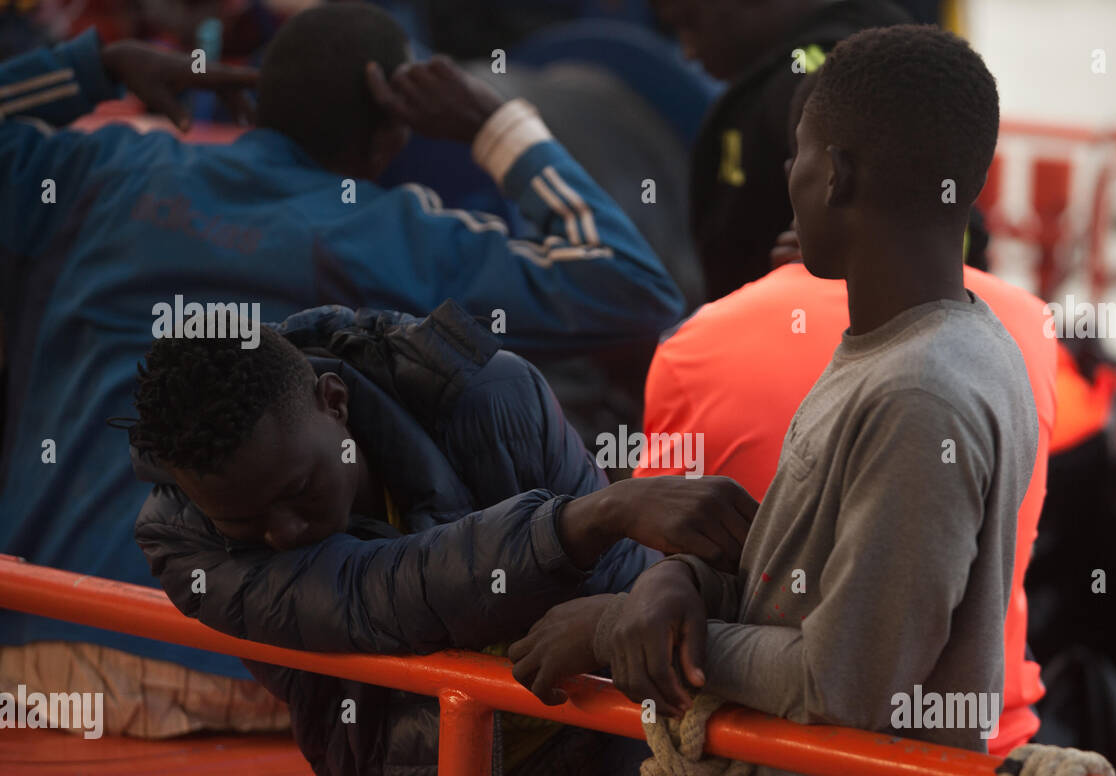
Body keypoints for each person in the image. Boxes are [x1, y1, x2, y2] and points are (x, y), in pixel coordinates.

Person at [0, 4, 683, 736]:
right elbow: (633, 286)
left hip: (42, 649)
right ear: (393, 135)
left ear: (256, 95)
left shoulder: (100, 168)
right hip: (257, 679)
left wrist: (89, 68)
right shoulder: (389, 234)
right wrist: (497, 126)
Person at [510, 25, 1036, 776]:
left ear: (836, 175)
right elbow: (810, 588)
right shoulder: (920, 343)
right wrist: (677, 582)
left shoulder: (920, 394)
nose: (787, 182)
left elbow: (847, 683)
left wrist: (612, 629)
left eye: (797, 155)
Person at [129, 301, 755, 776]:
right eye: (248, 524)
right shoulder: (183, 540)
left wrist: (656, 590)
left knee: (740, 721)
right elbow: (377, 594)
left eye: (299, 489)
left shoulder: (488, 393)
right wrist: (583, 521)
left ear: (335, 401)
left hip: (601, 720)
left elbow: (622, 584)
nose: (284, 533)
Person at [631, 257, 1058, 755]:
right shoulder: (1028, 323)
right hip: (993, 753)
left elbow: (845, 677)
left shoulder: (696, 343)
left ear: (833, 179)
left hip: (791, 762)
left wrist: (611, 615)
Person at [653, 0, 909, 300]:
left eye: (690, 22)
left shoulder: (825, 85)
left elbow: (936, 222)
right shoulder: (890, 55)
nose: (688, 52)